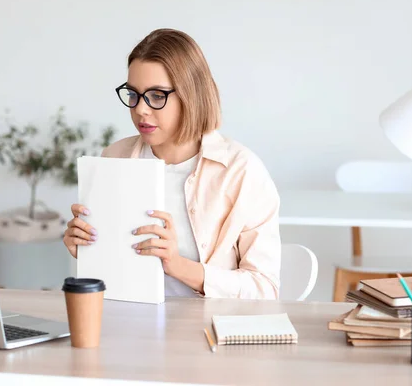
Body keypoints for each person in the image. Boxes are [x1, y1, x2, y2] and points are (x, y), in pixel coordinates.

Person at [63, 28, 281, 299]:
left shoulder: (240, 171)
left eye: (157, 96)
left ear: (191, 96)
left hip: (205, 332)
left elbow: (264, 290)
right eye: (133, 94)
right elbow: (105, 277)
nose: (140, 109)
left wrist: (178, 266)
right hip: (124, 324)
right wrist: (83, 249)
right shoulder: (113, 157)